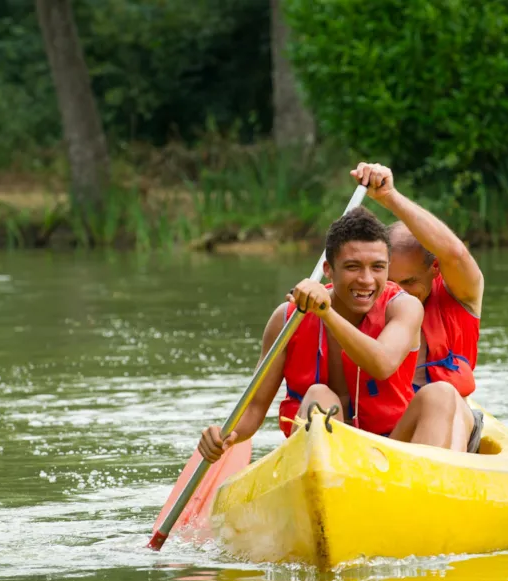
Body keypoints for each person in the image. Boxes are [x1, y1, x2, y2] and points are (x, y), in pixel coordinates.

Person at [197, 206, 482, 463]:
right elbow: (254, 408)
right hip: (328, 465)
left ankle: (424, 497)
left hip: (392, 453)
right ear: (328, 270)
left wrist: (326, 313)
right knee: (319, 395)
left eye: (378, 268)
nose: (367, 280)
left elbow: (382, 364)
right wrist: (226, 434)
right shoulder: (286, 319)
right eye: (352, 267)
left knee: (441, 394)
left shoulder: (404, 307)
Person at [350, 161, 486, 446]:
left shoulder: (462, 293)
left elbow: (456, 254)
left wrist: (389, 197)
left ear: (434, 268)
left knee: (442, 395)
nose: (397, 294)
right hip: (384, 432)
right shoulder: (366, 296)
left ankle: (441, 481)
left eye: (409, 283)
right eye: (389, 281)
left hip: (449, 425)